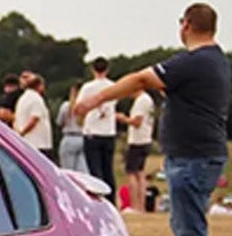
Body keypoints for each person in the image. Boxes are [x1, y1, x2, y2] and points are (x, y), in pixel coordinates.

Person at [74, 2, 231, 236]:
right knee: (185, 225)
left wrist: (95, 99)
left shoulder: (195, 62)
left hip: (192, 157)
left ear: (185, 25)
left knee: (190, 229)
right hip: (198, 155)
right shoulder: (216, 61)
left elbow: (142, 79)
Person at [79, 57, 119, 194]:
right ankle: (112, 200)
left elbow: (79, 107)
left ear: (92, 69)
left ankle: (99, 197)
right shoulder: (114, 86)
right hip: (109, 132)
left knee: (95, 170)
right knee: (108, 170)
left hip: (92, 131)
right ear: (107, 69)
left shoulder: (88, 87)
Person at [123, 87, 157, 213]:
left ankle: (135, 205)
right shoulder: (148, 100)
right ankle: (141, 205)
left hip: (137, 140)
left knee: (131, 172)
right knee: (140, 173)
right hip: (146, 139)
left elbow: (137, 121)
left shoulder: (141, 101)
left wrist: (123, 119)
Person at [13, 72, 55, 161]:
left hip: (26, 142)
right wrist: (23, 132)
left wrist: (18, 133)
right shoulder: (37, 99)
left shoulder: (22, 99)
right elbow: (34, 119)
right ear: (39, 86)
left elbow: (15, 119)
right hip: (39, 143)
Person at [56, 82, 88, 172]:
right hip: (83, 138)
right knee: (83, 170)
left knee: (68, 171)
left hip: (69, 137)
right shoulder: (87, 106)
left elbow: (59, 122)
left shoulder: (66, 106)